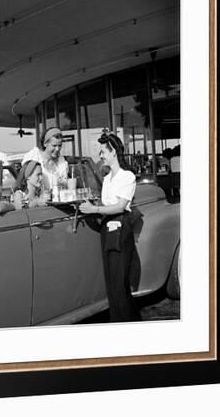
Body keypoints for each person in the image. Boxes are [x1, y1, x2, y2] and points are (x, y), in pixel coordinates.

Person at [79, 132, 141, 322]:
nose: (101, 156)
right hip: (107, 229)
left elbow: (121, 206)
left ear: (113, 152)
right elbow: (106, 204)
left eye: (103, 152)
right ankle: (119, 320)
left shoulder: (127, 176)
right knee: (111, 282)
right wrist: (90, 204)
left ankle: (127, 323)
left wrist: (94, 209)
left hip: (121, 228)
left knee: (120, 281)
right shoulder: (107, 179)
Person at [22, 126, 68, 194]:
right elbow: (24, 180)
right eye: (54, 146)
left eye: (60, 145)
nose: (57, 149)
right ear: (45, 144)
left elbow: (64, 185)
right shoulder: (34, 156)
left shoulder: (62, 162)